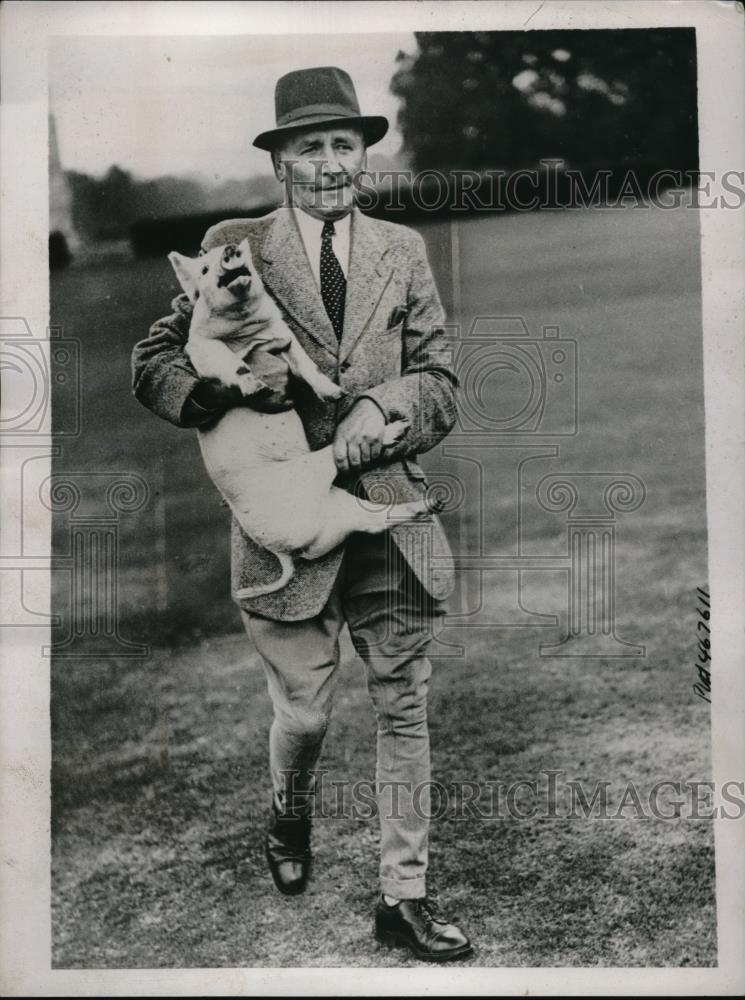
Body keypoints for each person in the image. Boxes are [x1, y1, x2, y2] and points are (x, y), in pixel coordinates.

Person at [131, 66, 472, 962]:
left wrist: (383, 407)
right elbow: (155, 359)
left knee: (404, 704)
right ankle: (287, 818)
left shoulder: (401, 249)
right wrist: (218, 395)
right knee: (308, 714)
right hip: (283, 521)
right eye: (310, 147)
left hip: (388, 511)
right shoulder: (232, 245)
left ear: (364, 153)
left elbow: (440, 382)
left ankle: (405, 895)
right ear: (279, 160)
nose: (330, 164)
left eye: (343, 146)